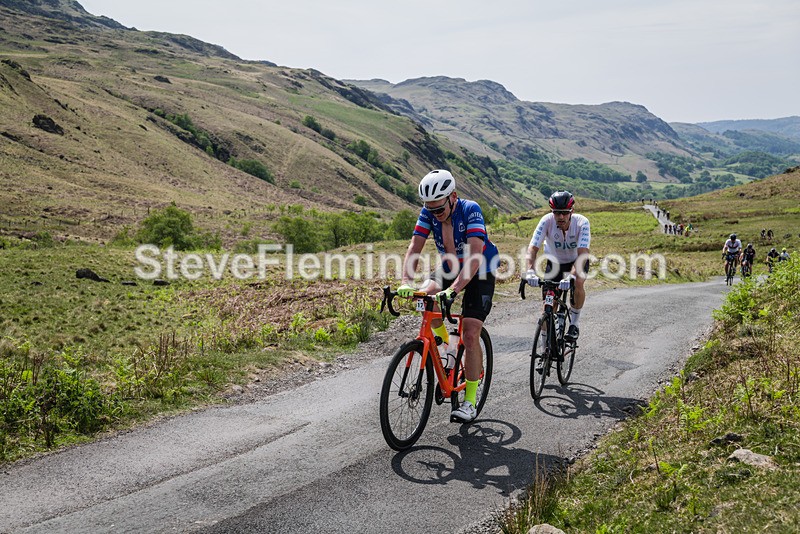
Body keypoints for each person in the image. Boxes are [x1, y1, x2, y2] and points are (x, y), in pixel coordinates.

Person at [396, 169, 499, 424]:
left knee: (471, 332)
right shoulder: (429, 211)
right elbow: (415, 247)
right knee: (425, 296)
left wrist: (454, 289)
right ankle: (445, 347)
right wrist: (406, 282)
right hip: (451, 265)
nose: (434, 214)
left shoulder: (470, 209)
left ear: (452, 197)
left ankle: (470, 401)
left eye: (439, 210)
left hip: (481, 268)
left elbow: (475, 256)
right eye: (429, 210)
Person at [524, 191, 590, 343]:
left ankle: (574, 324)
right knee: (548, 305)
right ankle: (544, 352)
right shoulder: (546, 221)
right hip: (555, 264)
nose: (560, 217)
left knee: (578, 281)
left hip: (576, 261)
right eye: (556, 213)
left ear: (571, 211)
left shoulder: (582, 223)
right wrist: (530, 271)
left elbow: (582, 254)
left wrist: (572, 276)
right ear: (552, 212)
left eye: (564, 213)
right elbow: (532, 248)